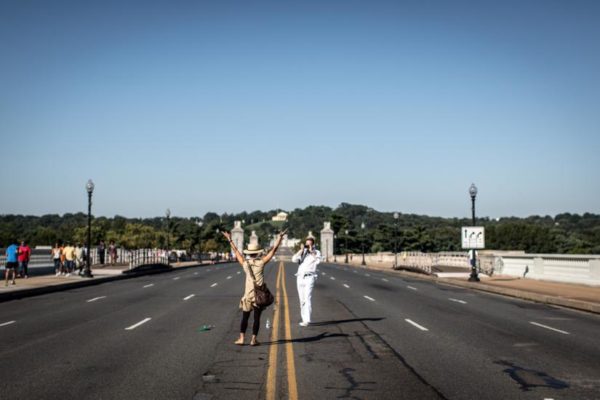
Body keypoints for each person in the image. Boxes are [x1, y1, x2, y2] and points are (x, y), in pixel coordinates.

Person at [222, 229, 287, 346]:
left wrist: (229, 239)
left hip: (248, 294)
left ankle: (241, 338)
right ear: (258, 253)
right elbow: (274, 250)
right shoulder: (261, 262)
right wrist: (280, 238)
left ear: (248, 253)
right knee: (257, 318)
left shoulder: (245, 263)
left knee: (245, 317)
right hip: (259, 294)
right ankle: (253, 339)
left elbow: (236, 251)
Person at [292, 235, 322, 326]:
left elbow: (317, 261)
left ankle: (307, 320)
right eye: (306, 244)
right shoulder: (302, 252)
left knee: (307, 298)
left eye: (309, 244)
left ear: (313, 245)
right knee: (301, 300)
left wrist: (311, 250)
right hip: (300, 277)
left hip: (310, 277)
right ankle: (304, 319)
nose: (307, 245)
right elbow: (293, 259)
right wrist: (301, 250)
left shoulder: (316, 252)